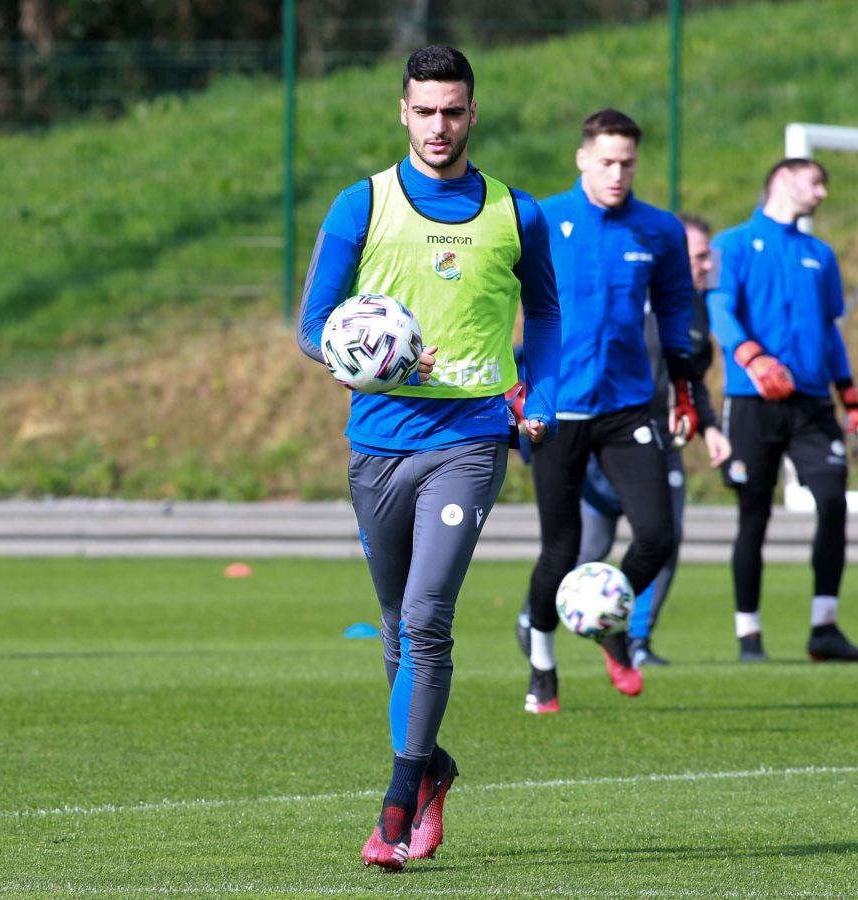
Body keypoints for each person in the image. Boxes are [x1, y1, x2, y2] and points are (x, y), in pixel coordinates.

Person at [297, 45, 561, 871]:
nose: (440, 126)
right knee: (392, 625)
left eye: (454, 111)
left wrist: (539, 397)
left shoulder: (517, 212)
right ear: (402, 112)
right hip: (377, 443)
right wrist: (367, 357)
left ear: (472, 113)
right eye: (426, 111)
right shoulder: (361, 205)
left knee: (426, 619)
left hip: (471, 440)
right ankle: (436, 767)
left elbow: (547, 315)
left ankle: (396, 804)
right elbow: (312, 325)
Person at [521, 108, 701, 714]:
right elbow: (497, 303)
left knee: (657, 534)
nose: (618, 174)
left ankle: (611, 621)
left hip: (628, 407)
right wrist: (508, 385)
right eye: (606, 162)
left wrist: (687, 387)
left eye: (627, 163)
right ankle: (542, 669)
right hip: (557, 407)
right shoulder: (543, 219)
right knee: (561, 548)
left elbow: (677, 312)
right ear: (582, 160)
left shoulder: (658, 229)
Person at [515, 215, 731, 669]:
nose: (703, 264)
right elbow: (540, 341)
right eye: (695, 255)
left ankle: (631, 636)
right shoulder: (621, 295)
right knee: (583, 546)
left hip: (647, 435)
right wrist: (526, 404)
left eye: (705, 256)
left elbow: (687, 375)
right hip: (582, 425)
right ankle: (543, 627)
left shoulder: (690, 312)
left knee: (661, 539)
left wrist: (708, 424)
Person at [707, 157, 858, 664]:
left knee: (833, 499)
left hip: (811, 403)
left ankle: (824, 627)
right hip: (753, 401)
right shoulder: (731, 245)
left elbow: (829, 332)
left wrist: (852, 399)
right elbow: (719, 308)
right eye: (815, 182)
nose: (822, 193)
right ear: (783, 181)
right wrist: (751, 356)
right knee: (754, 513)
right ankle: (748, 634)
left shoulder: (820, 255)